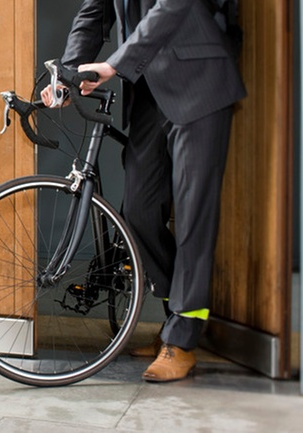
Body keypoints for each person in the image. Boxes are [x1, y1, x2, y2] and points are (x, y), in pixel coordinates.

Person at [41, 0, 246, 382]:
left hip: (200, 79)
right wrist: (68, 75)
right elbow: (94, 13)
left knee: (193, 215)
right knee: (138, 210)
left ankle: (182, 339)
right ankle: (174, 320)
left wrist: (113, 64)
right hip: (149, 93)